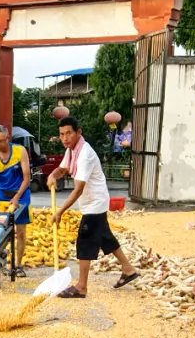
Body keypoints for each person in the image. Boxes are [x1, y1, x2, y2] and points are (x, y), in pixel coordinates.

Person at [47, 115, 138, 298]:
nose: (65, 138)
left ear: (78, 133)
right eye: (62, 134)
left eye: (69, 133)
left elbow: (79, 188)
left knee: (85, 240)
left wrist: (60, 211)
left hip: (94, 204)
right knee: (105, 238)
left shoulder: (85, 154)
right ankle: (128, 269)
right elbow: (63, 169)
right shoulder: (71, 150)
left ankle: (81, 287)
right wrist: (53, 175)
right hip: (94, 202)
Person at [0, 124, 31, 272]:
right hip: (3, 194)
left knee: (20, 232)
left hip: (21, 193)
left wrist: (17, 197)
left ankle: (18, 265)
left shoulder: (20, 151)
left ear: (8, 138)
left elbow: (26, 178)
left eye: (0, 140)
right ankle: (1, 255)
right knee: (0, 229)